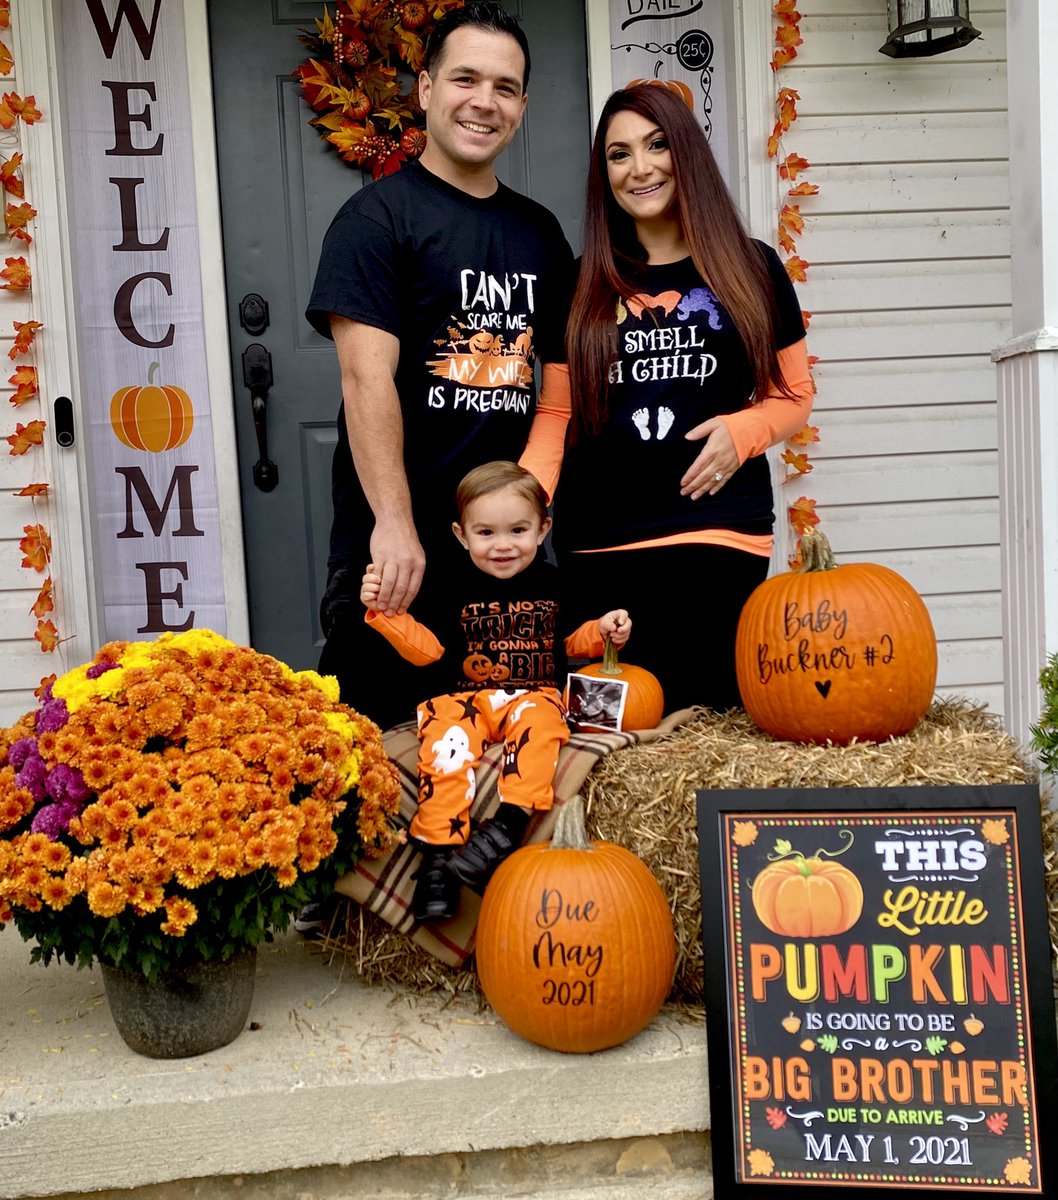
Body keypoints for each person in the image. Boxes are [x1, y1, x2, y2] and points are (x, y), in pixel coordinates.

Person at [305, 2, 575, 731]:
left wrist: (531, 507)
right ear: (425, 89)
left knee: (513, 743)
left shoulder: (540, 233)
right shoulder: (375, 220)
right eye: (465, 79)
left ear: (522, 106)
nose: (484, 101)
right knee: (389, 745)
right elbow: (365, 381)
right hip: (403, 553)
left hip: (503, 552)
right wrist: (394, 525)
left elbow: (558, 386)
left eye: (505, 87)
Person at [554, 85, 814, 713]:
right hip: (599, 544)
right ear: (604, 174)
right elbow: (557, 413)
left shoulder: (752, 266)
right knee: (607, 729)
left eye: (656, 145)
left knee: (713, 721)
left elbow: (793, 395)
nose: (640, 168)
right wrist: (525, 501)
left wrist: (744, 432)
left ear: (686, 153)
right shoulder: (582, 280)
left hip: (718, 536)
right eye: (619, 154)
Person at [360, 461, 631, 921]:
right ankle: (437, 859)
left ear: (543, 529)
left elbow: (571, 642)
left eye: (518, 530)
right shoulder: (448, 586)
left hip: (533, 694)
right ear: (461, 535)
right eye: (485, 533)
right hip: (464, 699)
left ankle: (506, 827)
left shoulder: (554, 583)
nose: (502, 545)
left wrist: (604, 631)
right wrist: (387, 616)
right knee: (445, 745)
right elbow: (428, 652)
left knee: (543, 726)